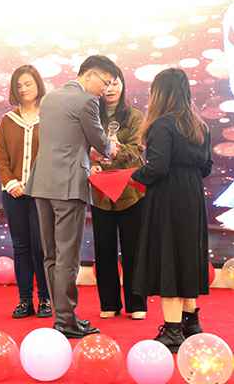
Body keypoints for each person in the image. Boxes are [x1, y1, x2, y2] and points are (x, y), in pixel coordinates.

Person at [25, 55, 119, 339]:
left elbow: (65, 139)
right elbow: (100, 141)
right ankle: (66, 320)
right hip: (68, 186)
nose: (105, 90)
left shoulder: (49, 98)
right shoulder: (86, 101)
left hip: (42, 183)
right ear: (89, 74)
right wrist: (111, 148)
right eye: (105, 82)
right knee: (68, 255)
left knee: (51, 254)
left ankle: (61, 316)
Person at [131, 68, 212, 352]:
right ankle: (191, 323)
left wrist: (134, 175)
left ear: (160, 93)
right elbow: (206, 167)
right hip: (192, 198)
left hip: (168, 200)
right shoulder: (200, 126)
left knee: (169, 257)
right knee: (187, 255)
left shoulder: (162, 125)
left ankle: (173, 330)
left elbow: (157, 167)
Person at [89, 65, 147, 320]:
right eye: (107, 83)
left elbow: (136, 151)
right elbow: (83, 148)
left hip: (130, 192)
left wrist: (111, 151)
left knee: (133, 249)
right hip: (100, 192)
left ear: (123, 85)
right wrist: (90, 160)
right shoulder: (91, 114)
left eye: (115, 83)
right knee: (104, 249)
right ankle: (109, 303)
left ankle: (137, 304)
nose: (110, 88)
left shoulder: (135, 116)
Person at [0, 65, 51, 319]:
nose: (24, 89)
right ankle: (25, 300)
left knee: (41, 247)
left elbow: (55, 155)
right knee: (21, 247)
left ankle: (46, 299)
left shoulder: (50, 117)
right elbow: (1, 158)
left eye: (28, 83)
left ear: (38, 84)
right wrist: (11, 183)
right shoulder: (8, 121)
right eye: (19, 85)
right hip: (14, 194)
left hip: (42, 193)